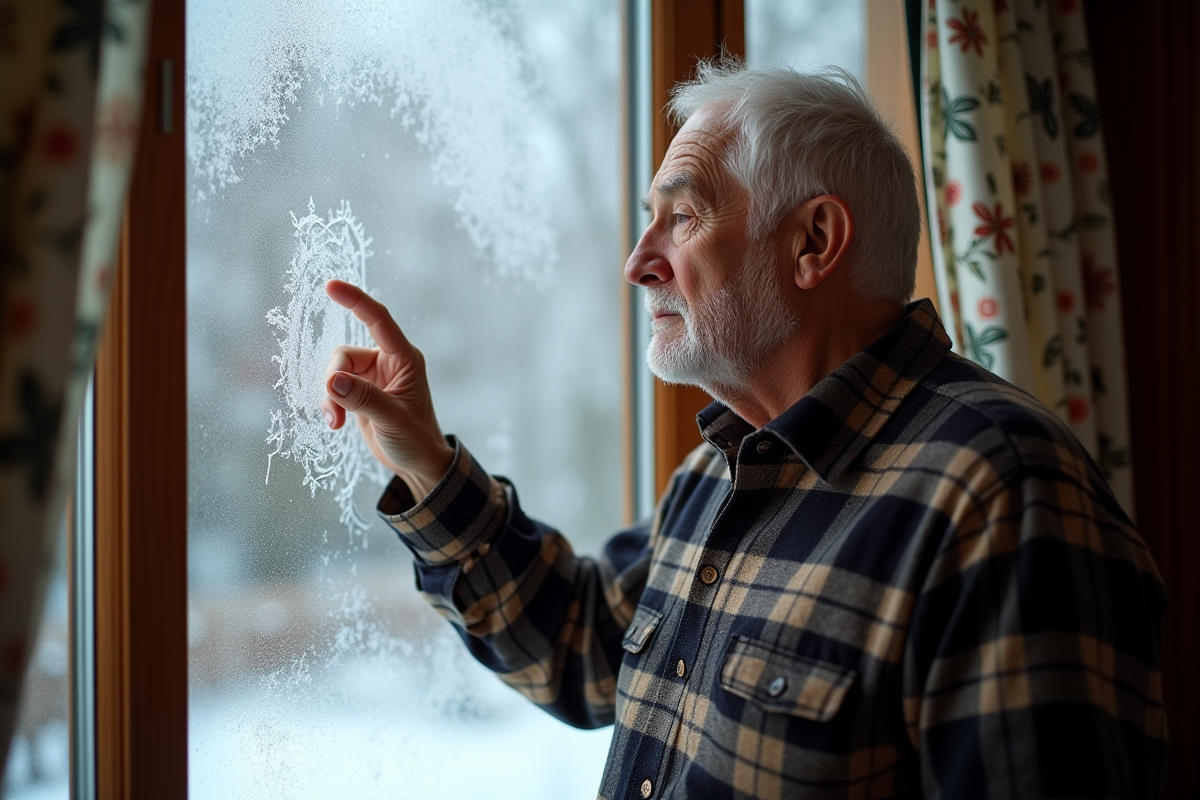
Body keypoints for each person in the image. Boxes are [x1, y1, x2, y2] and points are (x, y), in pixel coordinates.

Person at [319, 61, 1166, 800]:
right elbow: (583, 645)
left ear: (813, 242)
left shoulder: (1004, 493)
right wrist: (427, 465)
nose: (638, 261)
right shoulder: (714, 473)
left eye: (682, 217)